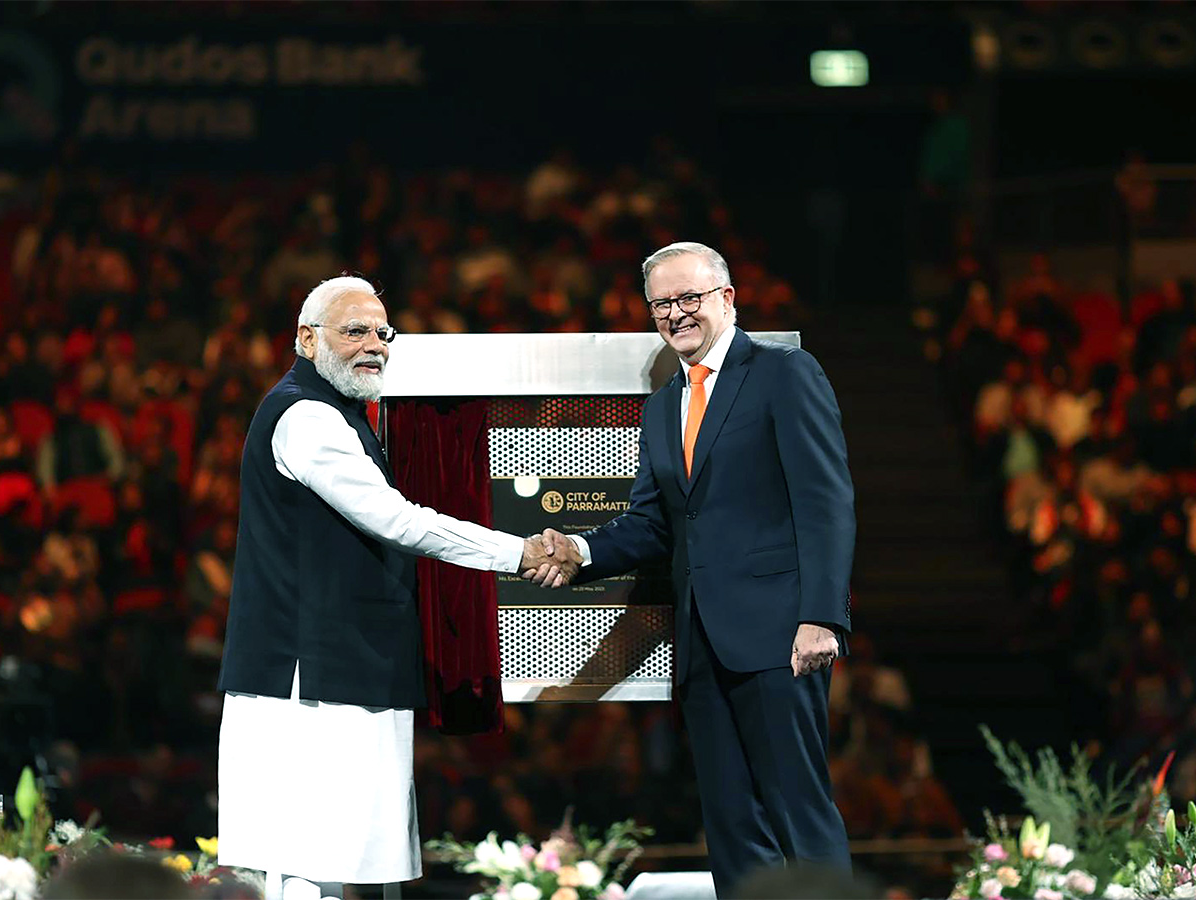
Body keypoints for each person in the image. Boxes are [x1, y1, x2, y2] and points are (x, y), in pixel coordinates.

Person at [216, 275, 572, 900]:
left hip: (346, 667)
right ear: (306, 338)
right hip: (309, 680)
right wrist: (517, 552)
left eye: (383, 332)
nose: (373, 344)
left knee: (355, 863)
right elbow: (399, 520)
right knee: (309, 865)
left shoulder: (343, 412)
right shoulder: (307, 417)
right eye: (354, 330)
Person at [530, 242, 855, 896]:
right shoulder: (660, 409)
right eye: (662, 304)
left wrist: (820, 616)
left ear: (727, 299)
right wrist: (581, 551)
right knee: (732, 820)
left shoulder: (784, 373)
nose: (677, 313)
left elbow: (826, 501)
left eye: (690, 298)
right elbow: (652, 525)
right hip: (701, 645)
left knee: (797, 808)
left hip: (779, 639)